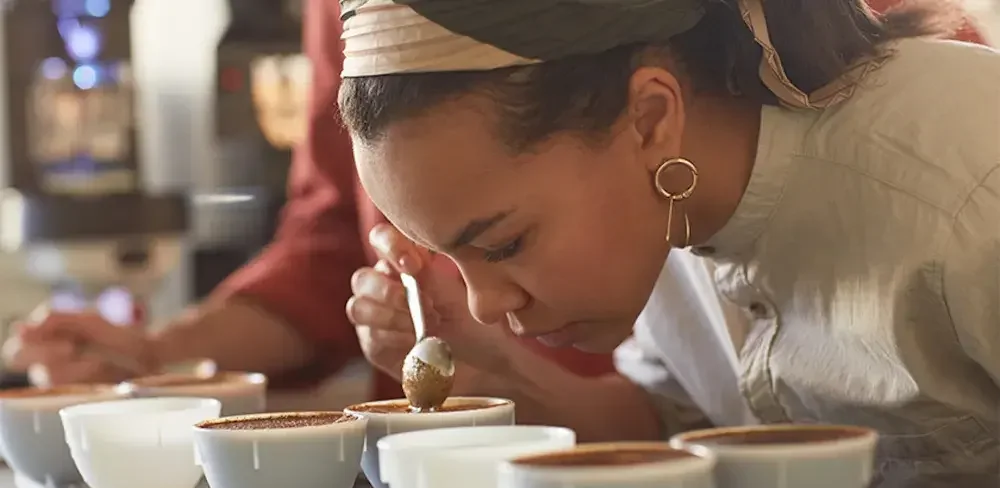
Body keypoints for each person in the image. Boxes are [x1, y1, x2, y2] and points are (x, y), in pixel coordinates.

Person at [337, 0, 999, 488]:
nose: (484, 304)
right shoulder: (663, 208)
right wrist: (495, 369)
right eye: (454, 257)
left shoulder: (969, 188)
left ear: (651, 116)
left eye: (505, 244)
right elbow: (670, 425)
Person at [1, 0, 614, 401]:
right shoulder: (338, 8)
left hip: (637, 433)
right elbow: (328, 250)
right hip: (432, 458)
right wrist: (158, 357)